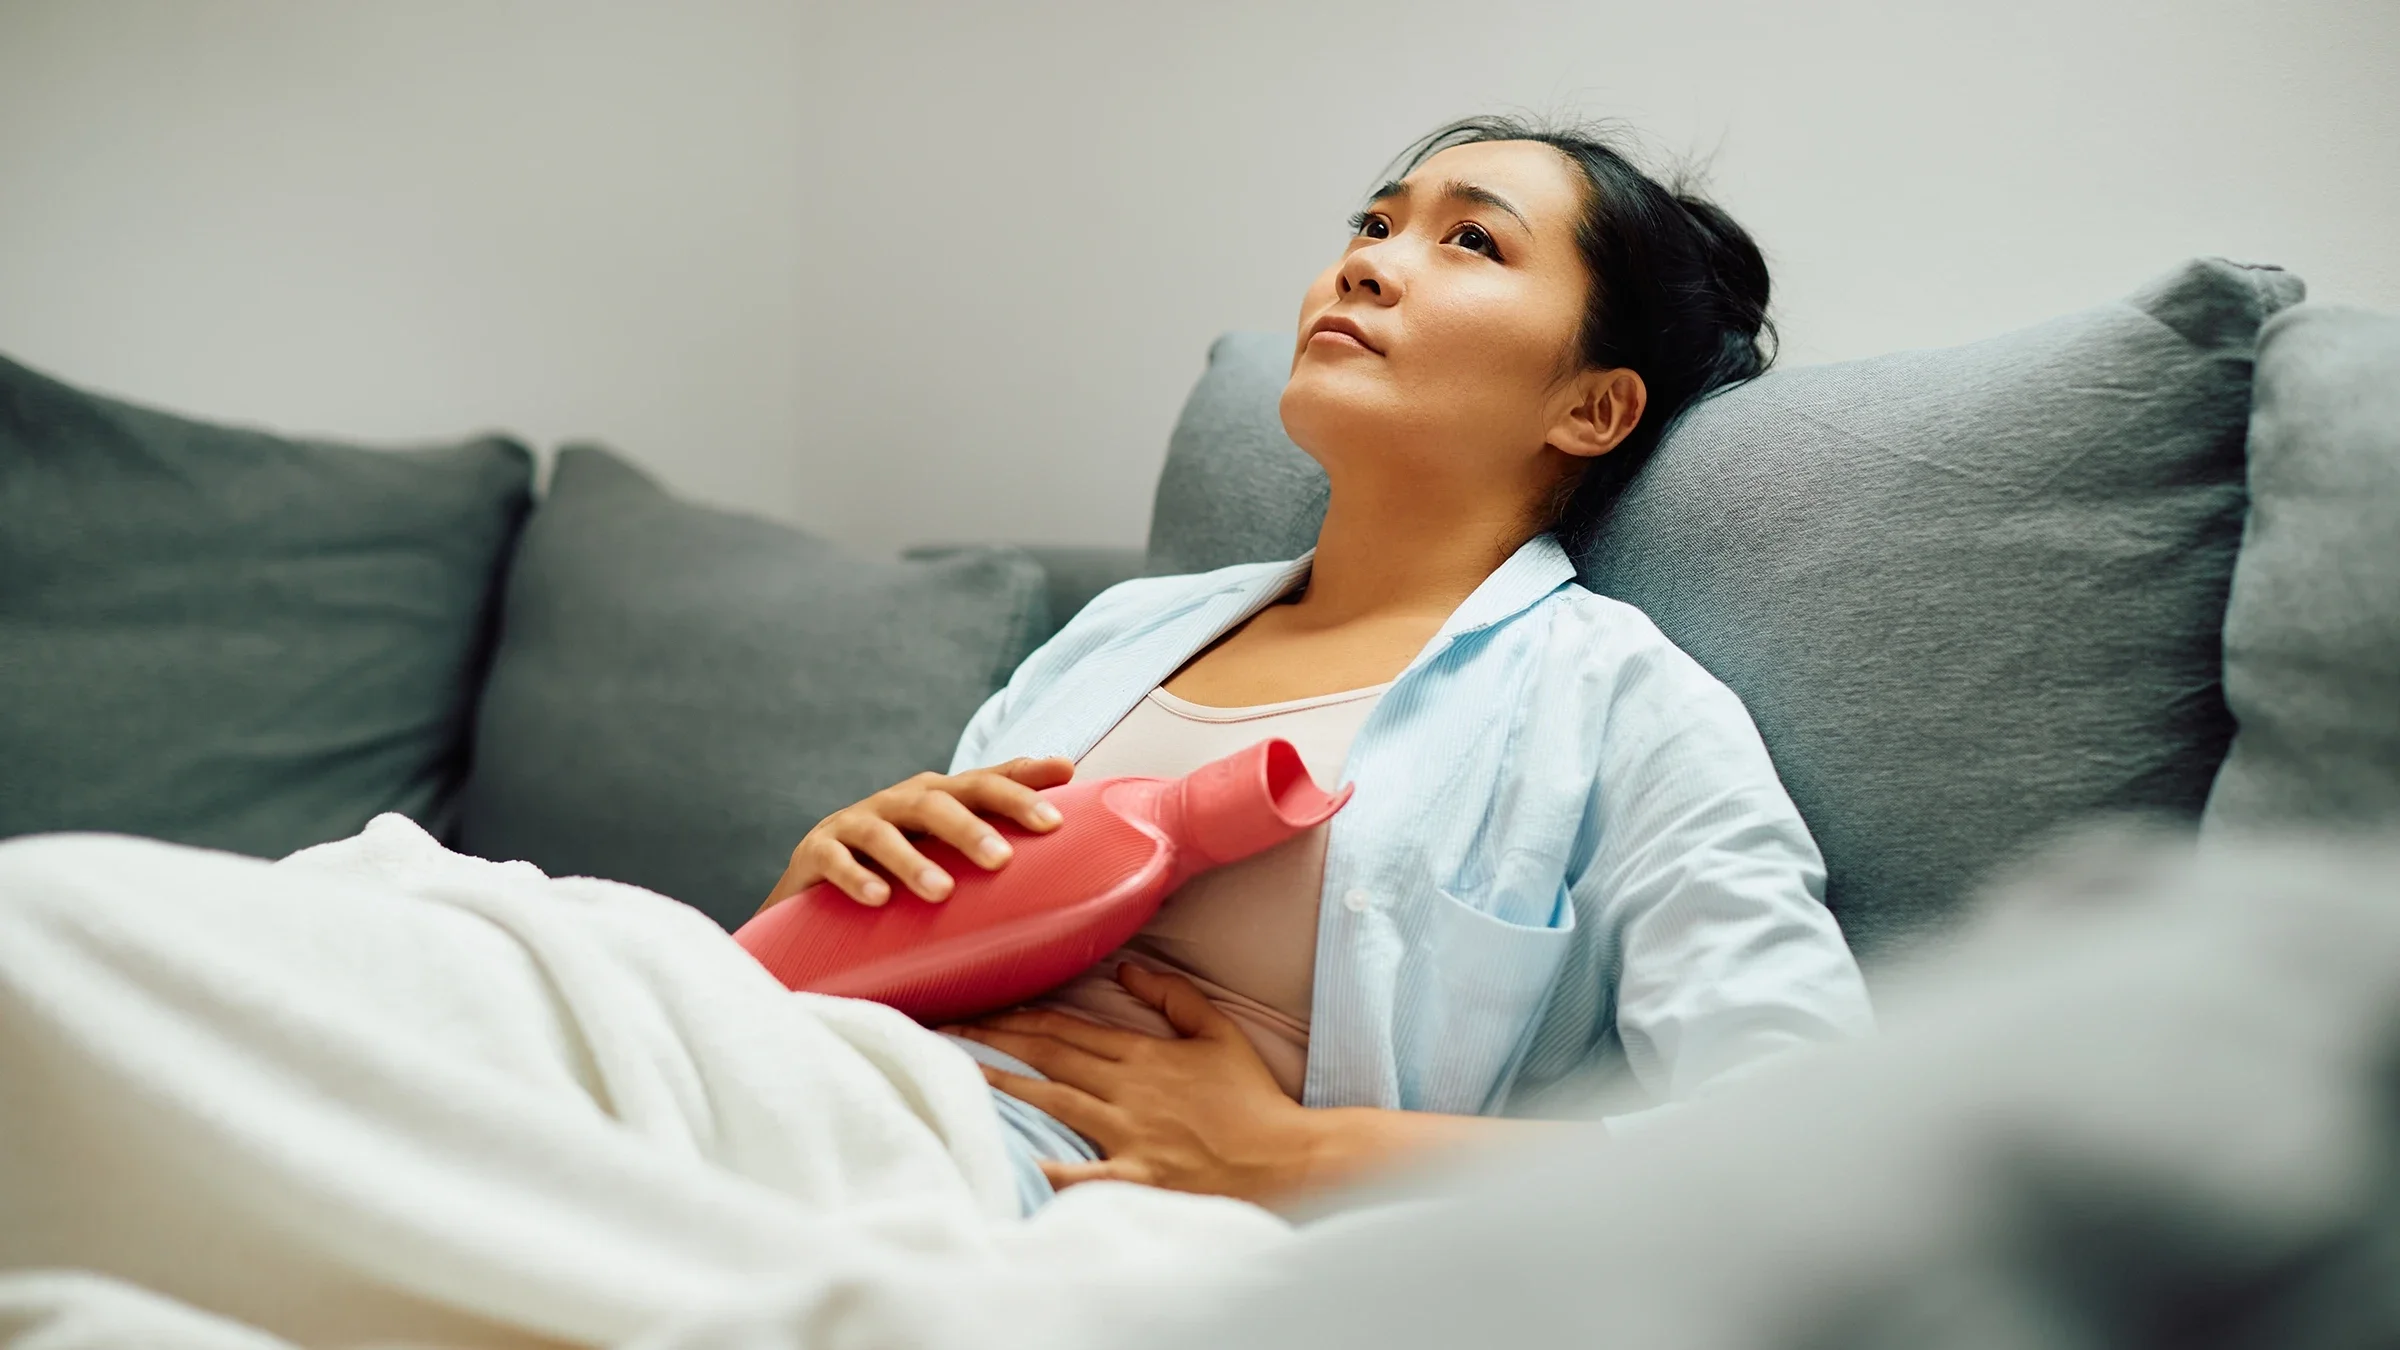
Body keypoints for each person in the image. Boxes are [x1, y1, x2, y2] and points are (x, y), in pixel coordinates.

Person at [759, 114, 1874, 1214]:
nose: (1370, 264)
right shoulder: (1117, 635)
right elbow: (879, 964)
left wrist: (1301, 1153)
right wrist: (820, 894)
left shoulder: (1622, 706)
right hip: (835, 1085)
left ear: (1592, 407)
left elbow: (1808, 1137)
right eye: (1374, 224)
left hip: (1044, 1211)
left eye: (1471, 241)